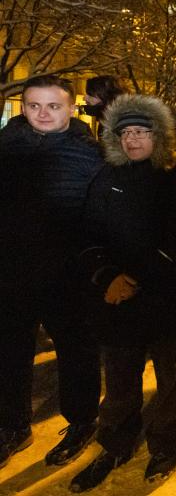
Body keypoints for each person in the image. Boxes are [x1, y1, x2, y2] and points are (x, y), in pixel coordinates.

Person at [69, 94, 176, 491]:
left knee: (170, 380)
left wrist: (134, 278)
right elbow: (88, 234)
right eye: (126, 133)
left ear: (159, 137)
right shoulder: (105, 178)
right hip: (117, 306)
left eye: (142, 132)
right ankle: (116, 442)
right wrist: (107, 277)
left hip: (166, 303)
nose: (133, 140)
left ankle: (166, 442)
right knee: (120, 382)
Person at [0, 75, 104, 468]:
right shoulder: (6, 148)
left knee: (76, 353)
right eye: (34, 106)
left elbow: (102, 217)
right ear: (23, 107)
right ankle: (12, 425)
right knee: (9, 353)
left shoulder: (90, 153)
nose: (42, 114)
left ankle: (81, 421)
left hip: (68, 276)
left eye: (53, 106)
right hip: (11, 271)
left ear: (72, 108)